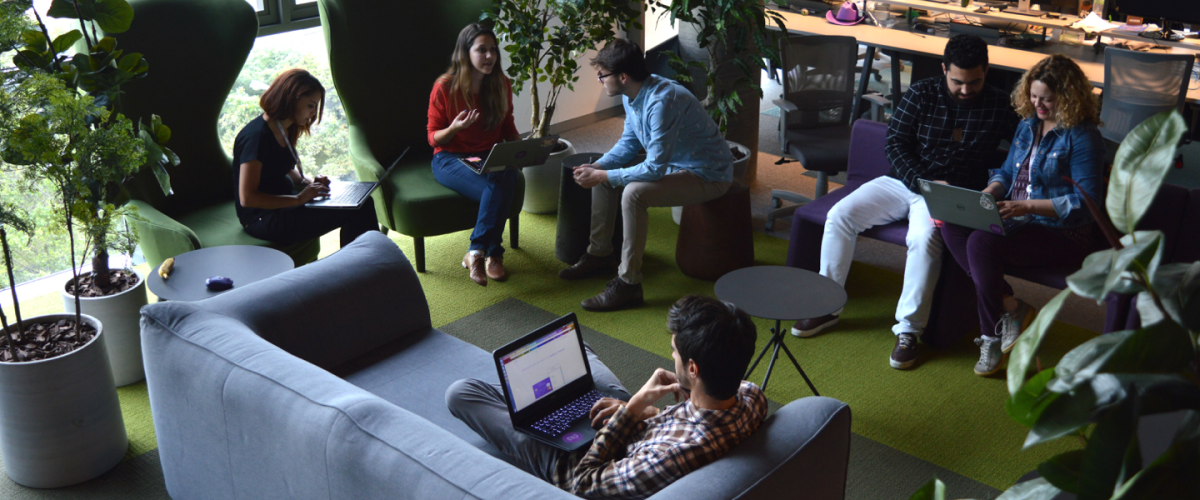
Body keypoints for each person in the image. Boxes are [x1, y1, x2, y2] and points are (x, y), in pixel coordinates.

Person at [793, 34, 1020, 370]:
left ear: (986, 71)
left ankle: (908, 331)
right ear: (944, 69)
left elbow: (1022, 150)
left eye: (974, 81)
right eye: (957, 81)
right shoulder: (922, 93)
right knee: (839, 215)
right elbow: (896, 144)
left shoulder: (1000, 104)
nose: (966, 90)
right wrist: (919, 180)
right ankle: (827, 305)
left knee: (925, 239)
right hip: (904, 181)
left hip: (950, 193)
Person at [446, 295, 766, 499]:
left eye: (675, 352)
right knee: (579, 353)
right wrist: (638, 409)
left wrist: (634, 408)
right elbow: (687, 421)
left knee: (461, 393)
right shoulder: (752, 397)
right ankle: (542, 398)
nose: (672, 356)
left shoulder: (668, 458)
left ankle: (530, 401)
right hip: (628, 422)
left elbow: (582, 482)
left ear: (694, 368)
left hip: (580, 461)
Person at [940, 54, 1105, 376]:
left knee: (981, 245)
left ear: (1068, 97)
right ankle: (1011, 307)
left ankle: (990, 337)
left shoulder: (1083, 136)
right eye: (1033, 96)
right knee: (953, 225)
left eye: (1047, 99)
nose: (1038, 104)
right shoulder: (1029, 125)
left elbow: (1088, 201)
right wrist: (988, 195)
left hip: (1061, 231)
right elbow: (1006, 172)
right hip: (1019, 218)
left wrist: (1027, 206)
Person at [559, 38, 735, 312]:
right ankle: (599, 254)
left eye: (602, 75)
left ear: (623, 76)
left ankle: (629, 283)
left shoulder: (663, 102)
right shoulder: (633, 94)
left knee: (633, 193)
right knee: (604, 173)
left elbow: (655, 168)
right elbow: (629, 143)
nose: (599, 80)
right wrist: (599, 167)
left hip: (709, 174)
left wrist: (604, 176)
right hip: (677, 165)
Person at [234, 69, 379, 250]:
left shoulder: (285, 129)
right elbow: (247, 199)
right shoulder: (256, 137)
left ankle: (364, 267)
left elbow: (285, 170)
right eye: (311, 106)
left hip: (287, 205)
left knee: (362, 201)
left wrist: (312, 184)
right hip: (263, 218)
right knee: (359, 209)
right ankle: (363, 269)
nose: (314, 113)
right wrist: (299, 199)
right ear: (292, 98)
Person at [428, 23, 521, 286]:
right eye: (482, 50)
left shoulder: (501, 83)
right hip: (450, 157)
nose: (490, 56)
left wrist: (522, 148)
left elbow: (508, 127)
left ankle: (476, 252)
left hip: (488, 155)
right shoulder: (444, 87)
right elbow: (432, 136)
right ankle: (492, 253)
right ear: (465, 52)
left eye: (493, 50)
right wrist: (455, 128)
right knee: (498, 188)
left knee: (507, 173)